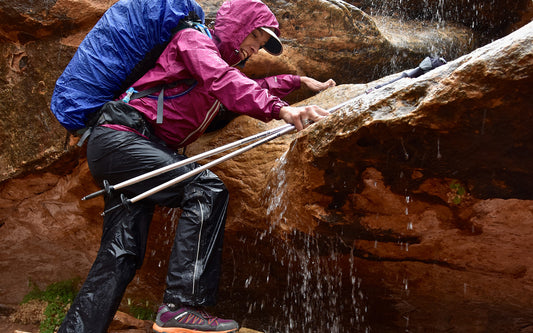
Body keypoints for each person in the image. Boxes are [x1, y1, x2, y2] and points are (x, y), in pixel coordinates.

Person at [57, 0, 335, 332]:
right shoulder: (193, 40)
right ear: (237, 26)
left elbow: (237, 85)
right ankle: (181, 306)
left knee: (122, 253)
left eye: (260, 46)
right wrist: (280, 110)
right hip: (122, 140)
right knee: (206, 188)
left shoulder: (211, 64)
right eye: (255, 38)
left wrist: (298, 81)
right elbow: (223, 80)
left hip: (125, 149)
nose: (254, 49)